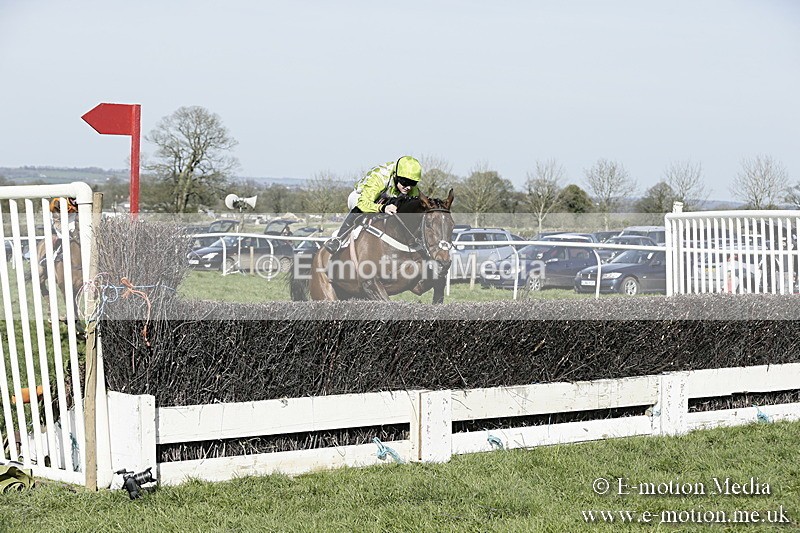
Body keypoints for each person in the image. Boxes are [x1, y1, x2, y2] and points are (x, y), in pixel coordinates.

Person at [323, 156, 422, 253]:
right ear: (396, 175)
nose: (408, 187)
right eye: (405, 182)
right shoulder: (379, 178)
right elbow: (363, 203)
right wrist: (382, 208)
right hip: (361, 198)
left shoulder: (411, 187)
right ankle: (338, 239)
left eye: (413, 183)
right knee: (359, 209)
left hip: (386, 197)